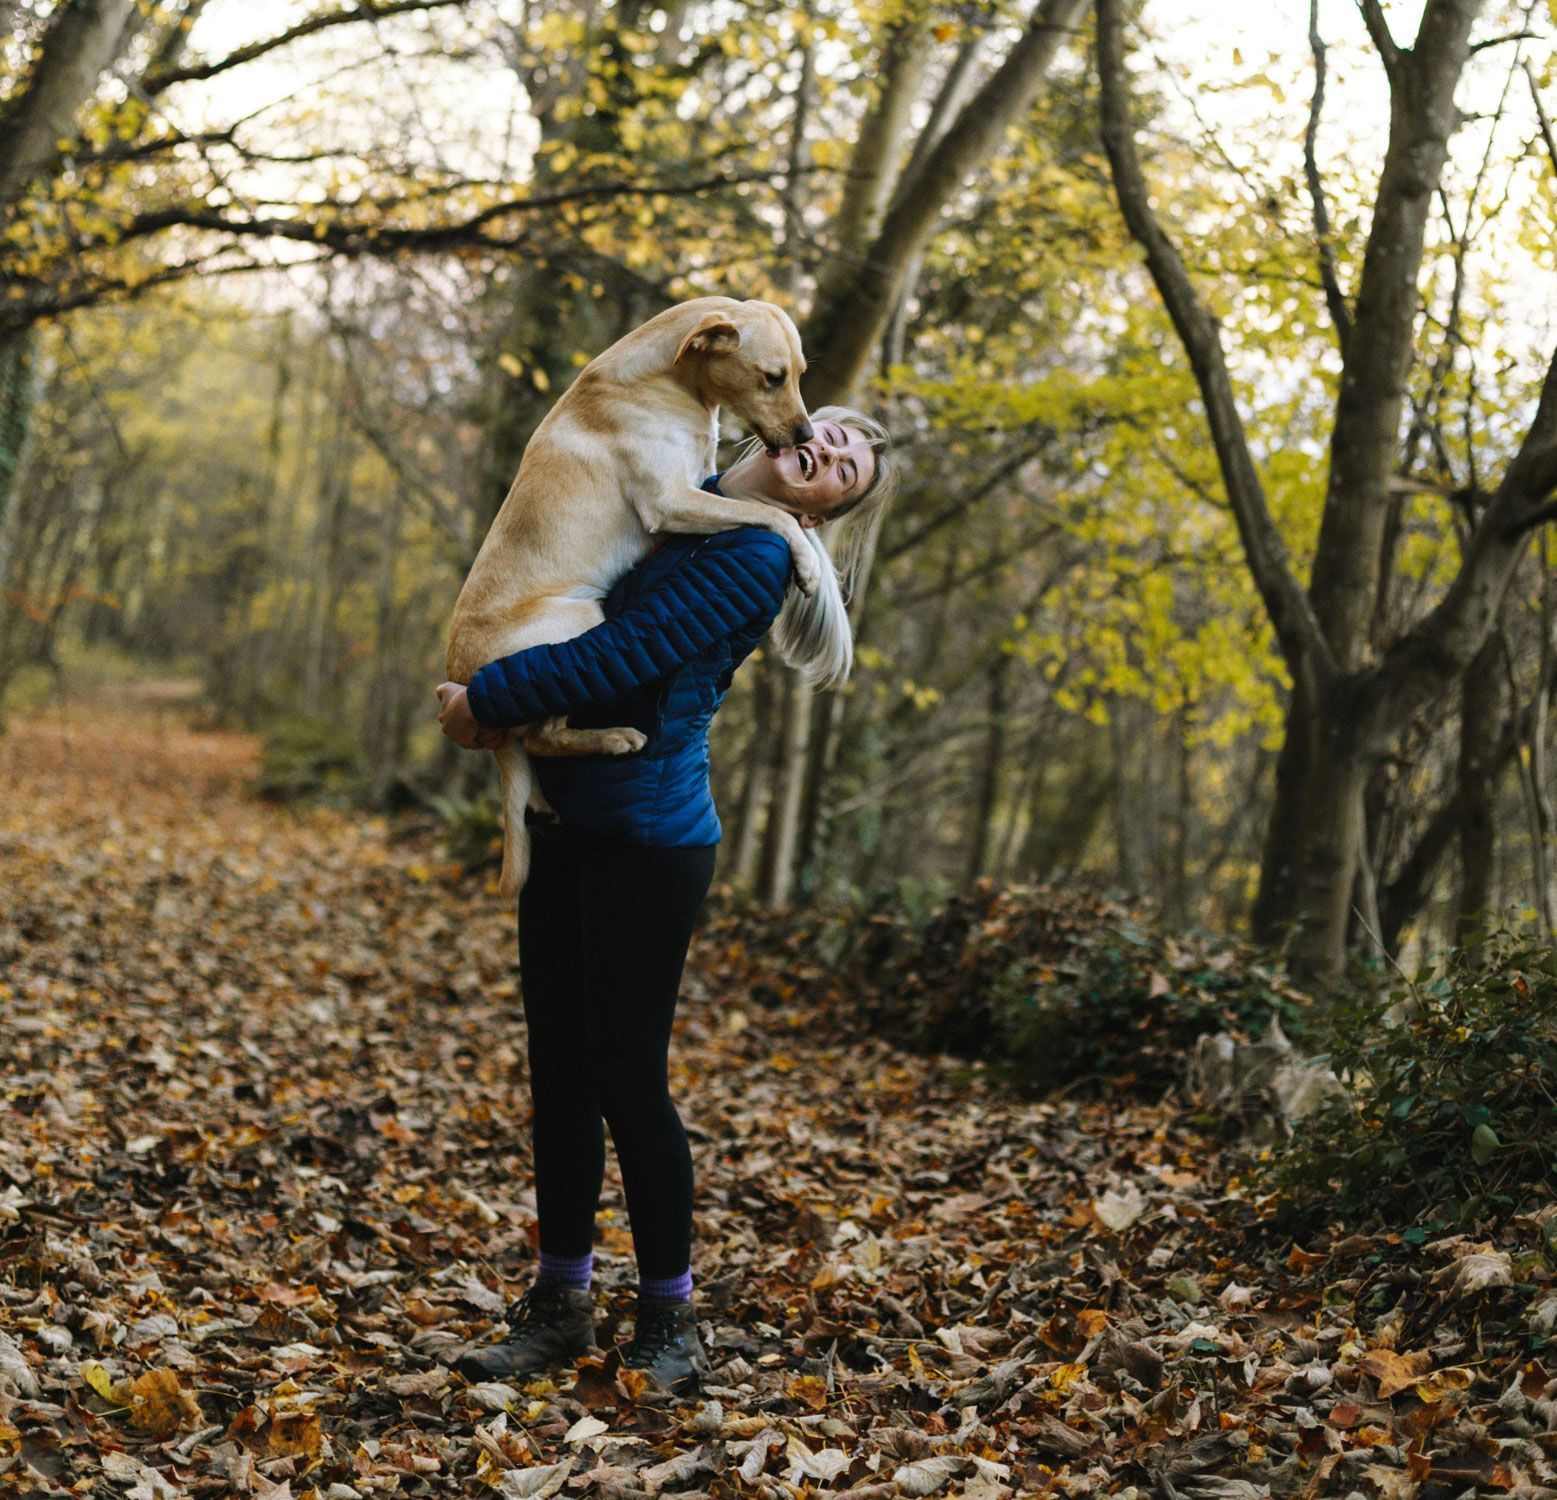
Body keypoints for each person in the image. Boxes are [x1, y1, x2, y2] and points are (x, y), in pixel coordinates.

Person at [435, 405, 896, 1392]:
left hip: (650, 843)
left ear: (820, 514)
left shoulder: (754, 561)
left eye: (844, 470)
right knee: (556, 1073)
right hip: (565, 822)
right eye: (834, 432)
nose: (828, 451)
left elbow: (622, 660)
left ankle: (670, 1320)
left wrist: (489, 701)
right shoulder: (676, 506)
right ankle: (560, 1306)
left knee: (624, 1079)